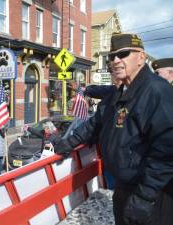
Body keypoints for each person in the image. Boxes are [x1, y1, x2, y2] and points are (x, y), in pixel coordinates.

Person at [50, 33, 173, 225]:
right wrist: (68, 143)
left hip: (151, 194)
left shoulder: (157, 91)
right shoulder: (119, 92)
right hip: (124, 188)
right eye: (111, 56)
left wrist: (145, 196)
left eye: (123, 54)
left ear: (141, 57)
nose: (115, 60)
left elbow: (167, 149)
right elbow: (95, 123)